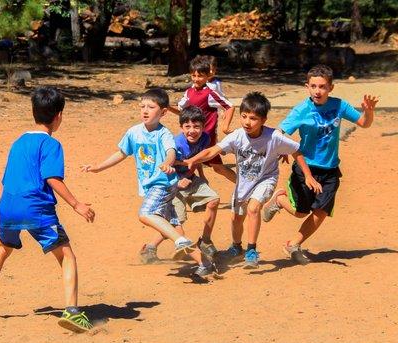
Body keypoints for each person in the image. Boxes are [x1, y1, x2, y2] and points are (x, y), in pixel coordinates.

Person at [0, 87, 96, 333]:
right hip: (37, 209)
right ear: (58, 116)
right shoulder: (51, 144)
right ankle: (71, 311)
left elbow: (9, 179)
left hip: (8, 206)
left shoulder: (18, 142)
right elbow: (52, 178)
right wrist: (76, 204)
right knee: (67, 256)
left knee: (3, 249)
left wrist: (1, 213)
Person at [82, 88, 210, 277]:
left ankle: (179, 241)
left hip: (163, 183)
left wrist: (167, 164)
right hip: (152, 185)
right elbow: (122, 153)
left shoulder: (163, 134)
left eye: (151, 107)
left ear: (164, 112)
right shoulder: (134, 132)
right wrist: (99, 167)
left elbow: (171, 152)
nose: (145, 110)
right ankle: (204, 262)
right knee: (172, 225)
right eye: (142, 106)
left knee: (145, 214)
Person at [186, 92, 321, 269]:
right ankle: (236, 248)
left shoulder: (274, 137)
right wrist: (193, 160)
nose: (247, 122)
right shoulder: (237, 136)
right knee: (236, 218)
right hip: (244, 182)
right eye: (244, 116)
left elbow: (296, 151)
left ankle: (251, 250)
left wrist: (308, 175)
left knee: (253, 208)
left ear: (263, 120)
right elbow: (213, 151)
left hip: (266, 179)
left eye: (253, 118)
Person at [262, 64, 379, 264]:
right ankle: (280, 200)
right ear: (307, 86)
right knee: (300, 213)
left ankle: (294, 244)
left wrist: (368, 112)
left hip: (331, 170)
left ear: (330, 88)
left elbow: (364, 123)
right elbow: (279, 133)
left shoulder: (339, 105)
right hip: (306, 167)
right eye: (313, 86)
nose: (318, 91)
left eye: (323, 86)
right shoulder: (301, 110)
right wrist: (282, 150)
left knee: (321, 212)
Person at [140, 106, 220, 278]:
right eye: (188, 127)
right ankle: (150, 247)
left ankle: (205, 241)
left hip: (190, 180)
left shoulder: (205, 138)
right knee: (177, 226)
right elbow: (165, 166)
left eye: (197, 126)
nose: (192, 131)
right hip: (173, 184)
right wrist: (179, 178)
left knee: (214, 200)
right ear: (181, 128)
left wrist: (201, 175)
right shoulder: (176, 144)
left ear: (203, 127)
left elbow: (197, 159)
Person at [169, 55, 237, 184]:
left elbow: (229, 106)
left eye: (200, 76)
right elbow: (181, 111)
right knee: (192, 160)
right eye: (194, 76)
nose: (196, 79)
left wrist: (225, 126)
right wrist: (167, 107)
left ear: (207, 76)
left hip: (206, 138)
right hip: (193, 136)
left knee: (218, 167)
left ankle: (245, 190)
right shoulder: (189, 92)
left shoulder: (210, 93)